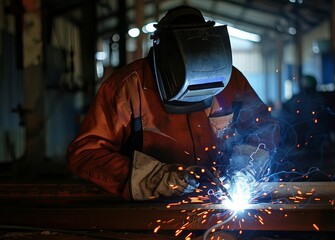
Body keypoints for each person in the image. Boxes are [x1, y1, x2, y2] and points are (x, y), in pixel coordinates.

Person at [67, 5, 280, 201]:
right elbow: (86, 154)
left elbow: (264, 127)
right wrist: (154, 177)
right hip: (151, 206)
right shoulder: (128, 85)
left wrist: (246, 167)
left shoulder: (230, 79)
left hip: (220, 199)